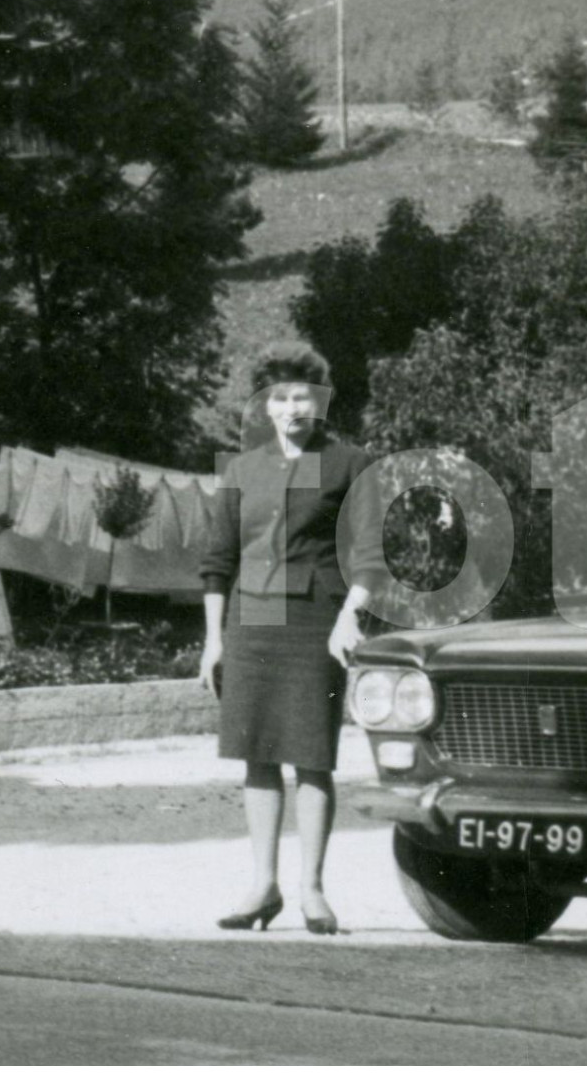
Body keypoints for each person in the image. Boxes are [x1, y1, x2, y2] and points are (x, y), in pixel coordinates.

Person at [197, 341, 383, 934]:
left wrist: (350, 616)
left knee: (310, 758)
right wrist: (212, 641)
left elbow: (371, 555)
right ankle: (262, 886)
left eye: (302, 395)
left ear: (320, 400)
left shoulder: (351, 463)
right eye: (279, 397)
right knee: (255, 756)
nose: (292, 407)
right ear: (265, 406)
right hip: (250, 625)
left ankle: (312, 890)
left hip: (314, 625)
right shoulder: (241, 470)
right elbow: (217, 561)